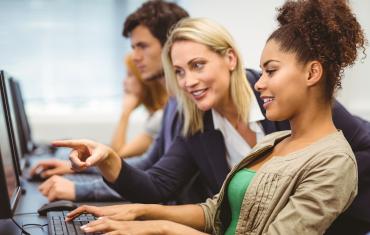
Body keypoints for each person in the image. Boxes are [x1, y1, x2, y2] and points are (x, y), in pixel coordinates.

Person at [62, 0, 366, 232]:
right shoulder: (215, 125)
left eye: (197, 66)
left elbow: (347, 155)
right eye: (179, 72)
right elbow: (192, 201)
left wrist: (331, 201)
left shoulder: (294, 110)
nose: (187, 82)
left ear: (229, 58)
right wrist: (130, 197)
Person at [29, 0, 189, 202]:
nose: (135, 56)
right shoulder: (172, 104)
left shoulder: (192, 107)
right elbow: (147, 163)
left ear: (171, 45)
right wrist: (92, 165)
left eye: (142, 46)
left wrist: (79, 189)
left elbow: (159, 182)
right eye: (133, 47)